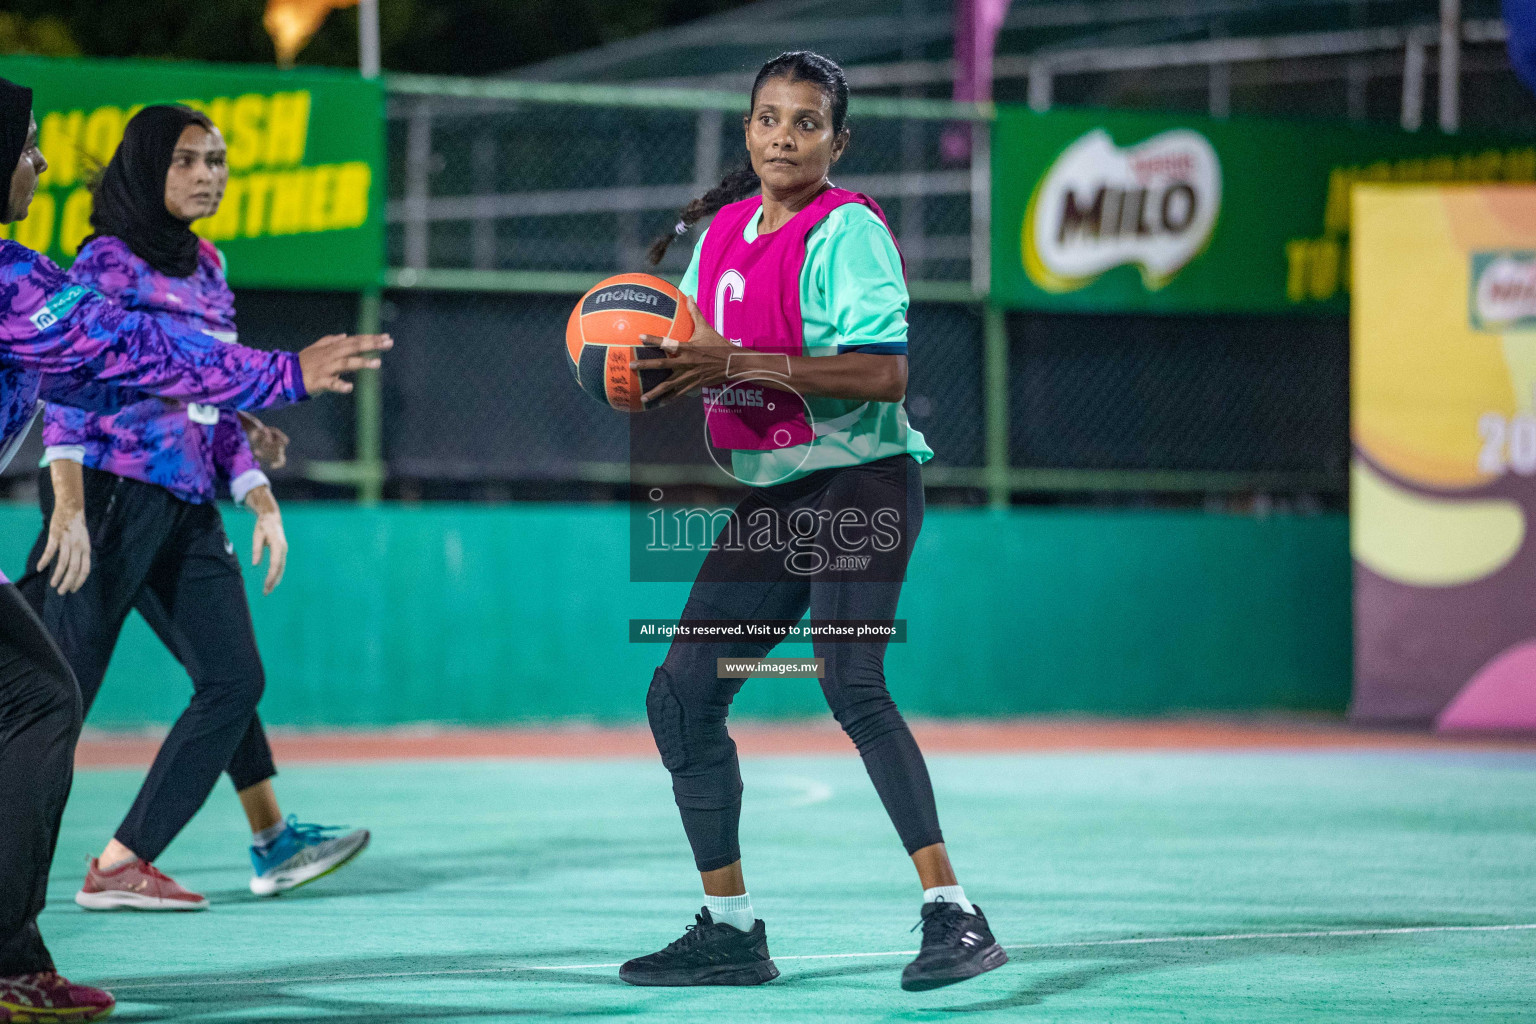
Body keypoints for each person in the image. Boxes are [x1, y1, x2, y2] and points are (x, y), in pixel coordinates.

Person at [0, 77, 388, 1023]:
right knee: (49, 702)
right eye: (27, 146)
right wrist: (284, 374)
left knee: (181, 682)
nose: (42, 162)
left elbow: (102, 376)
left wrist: (239, 440)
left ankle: (257, 839)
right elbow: (114, 357)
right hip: (112, 505)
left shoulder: (105, 271)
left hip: (182, 499)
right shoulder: (52, 274)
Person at [618, 52, 1007, 992]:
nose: (783, 137)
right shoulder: (720, 239)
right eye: (766, 119)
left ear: (838, 140)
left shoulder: (850, 231)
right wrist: (654, 373)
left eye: (804, 122)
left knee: (850, 681)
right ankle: (729, 928)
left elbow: (884, 376)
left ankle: (953, 912)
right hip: (779, 494)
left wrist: (736, 363)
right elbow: (714, 358)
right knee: (681, 695)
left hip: (860, 483)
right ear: (746, 130)